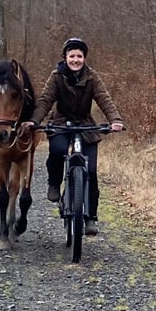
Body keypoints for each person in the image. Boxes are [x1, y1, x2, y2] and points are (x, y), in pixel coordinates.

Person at [28, 37, 124, 236]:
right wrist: (34, 121)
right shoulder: (56, 76)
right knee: (58, 150)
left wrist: (115, 120)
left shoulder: (92, 77)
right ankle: (54, 183)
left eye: (79, 56)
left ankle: (90, 218)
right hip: (61, 123)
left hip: (85, 125)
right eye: (72, 56)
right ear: (65, 57)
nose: (75, 60)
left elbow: (104, 98)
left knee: (91, 171)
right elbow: (45, 100)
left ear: (84, 58)